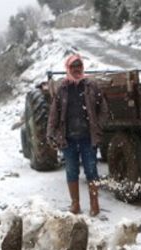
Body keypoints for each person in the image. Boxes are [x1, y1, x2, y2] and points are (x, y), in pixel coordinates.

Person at [48, 53, 109, 216]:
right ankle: (75, 204)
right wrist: (51, 133)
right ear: (68, 69)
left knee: (91, 171)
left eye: (79, 66)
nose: (76, 70)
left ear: (82, 68)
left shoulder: (91, 86)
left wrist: (98, 127)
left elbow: (103, 109)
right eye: (73, 67)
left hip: (87, 138)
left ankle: (94, 204)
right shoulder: (62, 88)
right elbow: (54, 113)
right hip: (67, 139)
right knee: (71, 171)